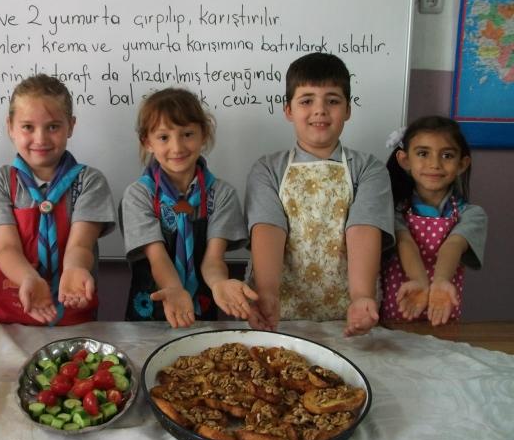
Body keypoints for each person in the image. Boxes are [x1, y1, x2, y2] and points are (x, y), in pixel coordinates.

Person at [244, 52, 394, 336]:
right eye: (306, 100)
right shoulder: (267, 169)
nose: (320, 110)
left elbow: (363, 229)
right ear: (288, 110)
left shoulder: (369, 169)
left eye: (333, 101)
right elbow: (267, 228)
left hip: (348, 316)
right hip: (277, 315)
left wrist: (362, 296)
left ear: (348, 109)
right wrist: (267, 293)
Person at [0, 74, 116, 325]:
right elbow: (6, 248)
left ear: (70, 126)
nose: (40, 139)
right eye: (28, 127)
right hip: (7, 320)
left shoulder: (90, 182)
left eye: (53, 127)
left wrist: (74, 269)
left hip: (74, 316)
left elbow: (80, 244)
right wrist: (29, 277)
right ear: (10, 127)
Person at [120, 87, 258, 329]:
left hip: (202, 310)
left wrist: (219, 284)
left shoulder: (222, 194)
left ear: (203, 134)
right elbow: (157, 256)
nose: (177, 147)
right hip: (149, 313)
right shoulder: (139, 195)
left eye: (187, 134)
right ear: (147, 142)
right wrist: (173, 289)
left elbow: (213, 260)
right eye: (164, 137)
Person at [381, 116, 487, 325]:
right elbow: (405, 242)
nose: (434, 164)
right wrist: (419, 281)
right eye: (423, 153)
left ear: (462, 164)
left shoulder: (472, 215)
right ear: (405, 160)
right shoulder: (393, 211)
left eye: (447, 155)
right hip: (400, 307)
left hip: (443, 306)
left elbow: (454, 245)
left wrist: (439, 282)